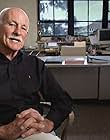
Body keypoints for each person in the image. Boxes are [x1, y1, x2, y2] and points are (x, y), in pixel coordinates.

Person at [0, 7, 72, 140]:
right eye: (12, 25)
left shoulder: (35, 64)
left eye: (23, 28)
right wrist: (3, 132)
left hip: (34, 133)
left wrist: (48, 123)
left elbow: (63, 101)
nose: (17, 32)